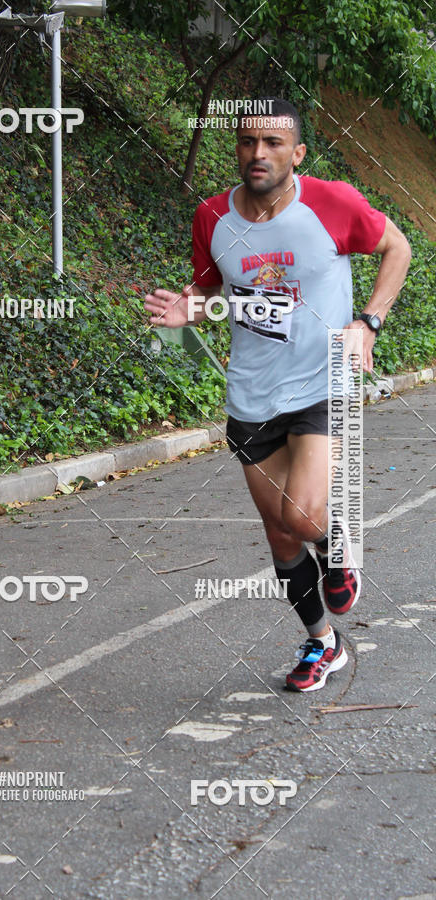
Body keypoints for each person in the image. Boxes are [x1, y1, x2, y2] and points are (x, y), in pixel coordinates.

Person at [144, 98, 411, 691]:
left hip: (322, 382)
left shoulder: (332, 202)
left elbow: (399, 249)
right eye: (246, 142)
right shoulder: (213, 216)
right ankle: (324, 644)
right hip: (251, 395)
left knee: (302, 514)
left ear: (297, 153)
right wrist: (184, 311)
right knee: (281, 534)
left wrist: (367, 322)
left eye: (271, 143)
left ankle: (344, 546)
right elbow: (211, 293)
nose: (257, 154)